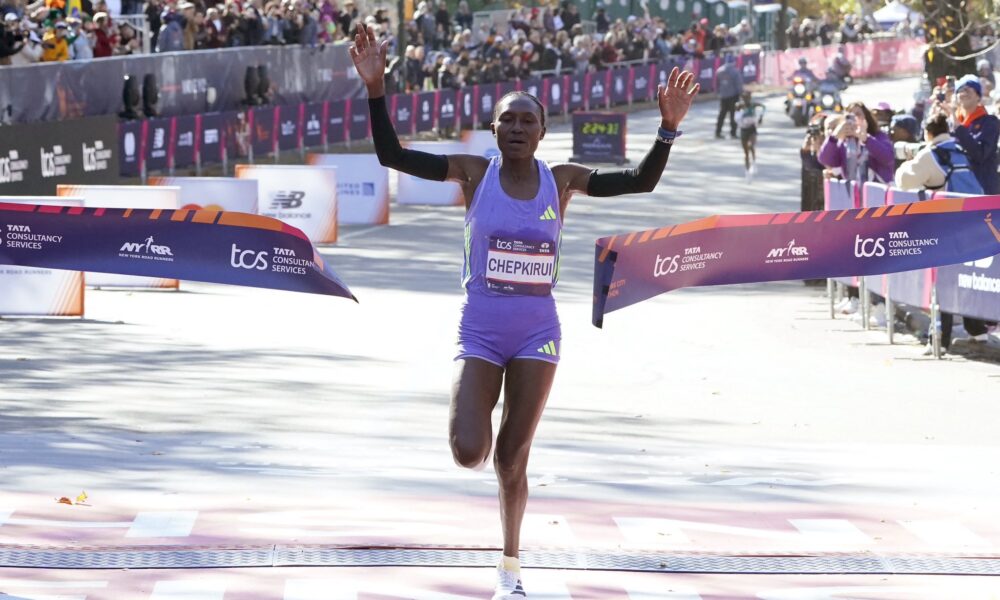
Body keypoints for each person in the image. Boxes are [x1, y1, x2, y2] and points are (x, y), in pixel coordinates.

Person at [349, 22, 698, 600]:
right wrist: (375, 88)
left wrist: (667, 129)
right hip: (481, 326)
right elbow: (392, 155)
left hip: (537, 329)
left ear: (542, 132)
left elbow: (639, 181)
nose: (516, 128)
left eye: (526, 121)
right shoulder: (473, 173)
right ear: (493, 130)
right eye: (507, 120)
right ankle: (481, 420)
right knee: (469, 452)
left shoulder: (561, 182)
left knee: (512, 458)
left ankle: (509, 569)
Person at [818, 101, 893, 184]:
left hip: (878, 188)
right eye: (849, 116)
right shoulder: (844, 142)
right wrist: (834, 137)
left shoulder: (878, 136)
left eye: (858, 114)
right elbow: (826, 160)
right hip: (853, 190)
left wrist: (866, 139)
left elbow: (888, 158)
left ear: (866, 118)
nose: (854, 119)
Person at [951, 74, 999, 194]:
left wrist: (959, 128)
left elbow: (980, 153)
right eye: (960, 90)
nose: (964, 93)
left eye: (968, 90)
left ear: (978, 96)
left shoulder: (989, 122)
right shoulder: (951, 122)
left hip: (984, 188)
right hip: (958, 188)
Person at [737, 90, 765, 180]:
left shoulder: (753, 105)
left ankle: (754, 162)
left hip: (752, 129)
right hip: (743, 130)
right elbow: (735, 116)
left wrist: (761, 117)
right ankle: (747, 171)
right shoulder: (739, 106)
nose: (746, 100)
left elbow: (763, 107)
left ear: (750, 98)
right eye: (744, 98)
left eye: (748, 98)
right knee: (746, 153)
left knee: (751, 146)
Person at [715, 53, 742, 139]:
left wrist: (718, 93)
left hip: (723, 96)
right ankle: (733, 133)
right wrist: (740, 93)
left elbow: (716, 84)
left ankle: (718, 132)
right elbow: (738, 84)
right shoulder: (735, 71)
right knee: (733, 115)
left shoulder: (719, 70)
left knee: (722, 114)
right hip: (733, 96)